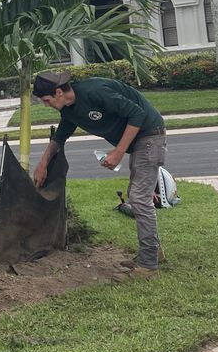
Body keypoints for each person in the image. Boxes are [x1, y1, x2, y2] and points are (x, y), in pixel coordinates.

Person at [31, 69, 167, 272]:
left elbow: (137, 113)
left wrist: (119, 151)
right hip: (138, 142)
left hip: (149, 135)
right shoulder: (69, 110)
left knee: (139, 197)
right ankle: (152, 251)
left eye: (46, 99)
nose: (46, 104)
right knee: (138, 195)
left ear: (59, 92)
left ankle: (148, 266)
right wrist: (42, 164)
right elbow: (59, 137)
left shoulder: (95, 91)